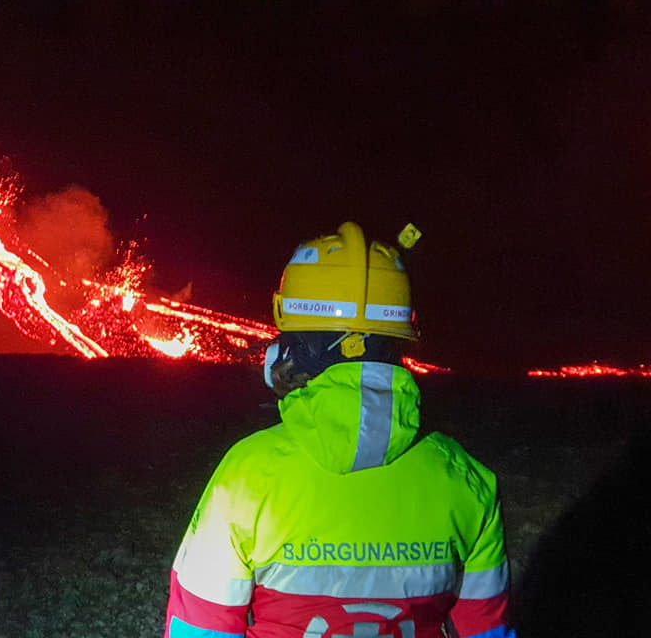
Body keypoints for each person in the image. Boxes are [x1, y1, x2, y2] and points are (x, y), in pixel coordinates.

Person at [164, 222, 514, 638]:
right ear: (400, 341)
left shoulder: (245, 475)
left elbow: (199, 628)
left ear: (303, 347)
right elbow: (487, 630)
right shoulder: (468, 481)